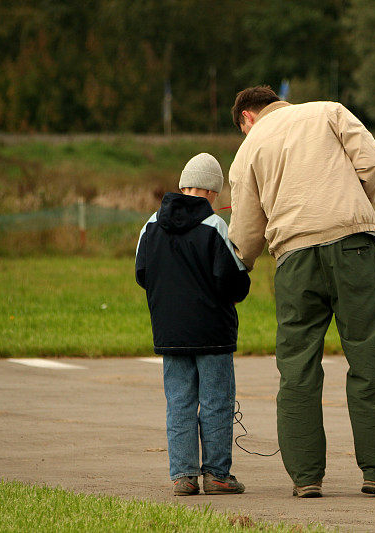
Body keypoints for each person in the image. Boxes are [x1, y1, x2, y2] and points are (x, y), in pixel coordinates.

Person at [227, 86, 375, 498]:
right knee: (369, 354)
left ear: (246, 119)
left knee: (298, 368)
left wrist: (245, 264)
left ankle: (306, 478)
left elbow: (247, 228)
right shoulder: (328, 111)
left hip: (293, 258)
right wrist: (357, 206)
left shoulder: (250, 146)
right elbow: (373, 162)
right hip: (353, 245)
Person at [135, 153, 250, 496]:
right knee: (216, 400)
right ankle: (216, 475)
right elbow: (234, 283)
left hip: (170, 331)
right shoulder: (214, 226)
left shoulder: (151, 224)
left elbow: (142, 274)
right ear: (213, 191)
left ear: (183, 186)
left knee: (179, 400)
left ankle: (183, 476)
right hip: (213, 331)